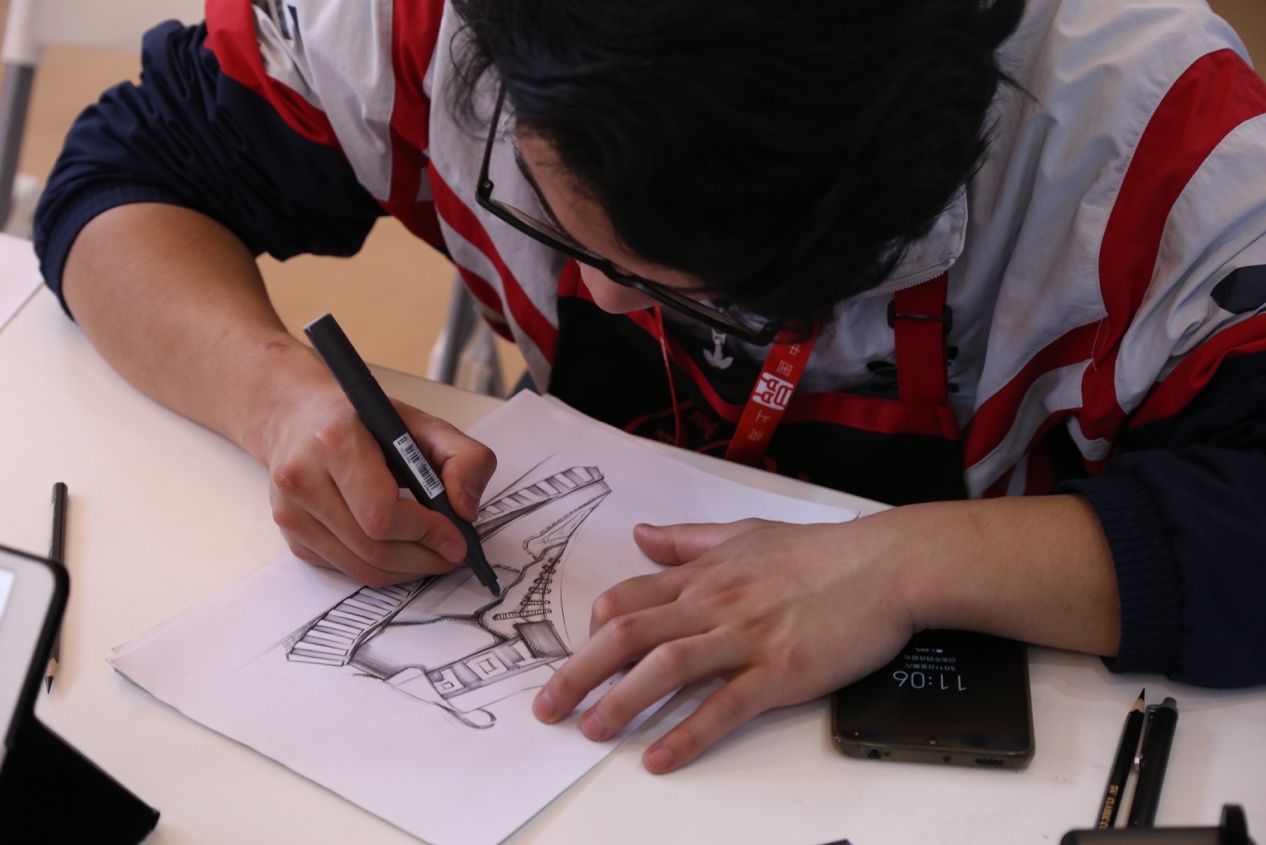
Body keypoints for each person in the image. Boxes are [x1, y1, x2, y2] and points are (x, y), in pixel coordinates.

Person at [33, 0, 1266, 774]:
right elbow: (125, 180)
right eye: (557, 221)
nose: (605, 303)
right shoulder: (427, 22)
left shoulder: (1155, 140)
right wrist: (280, 399)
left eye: (699, 291)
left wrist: (904, 566)